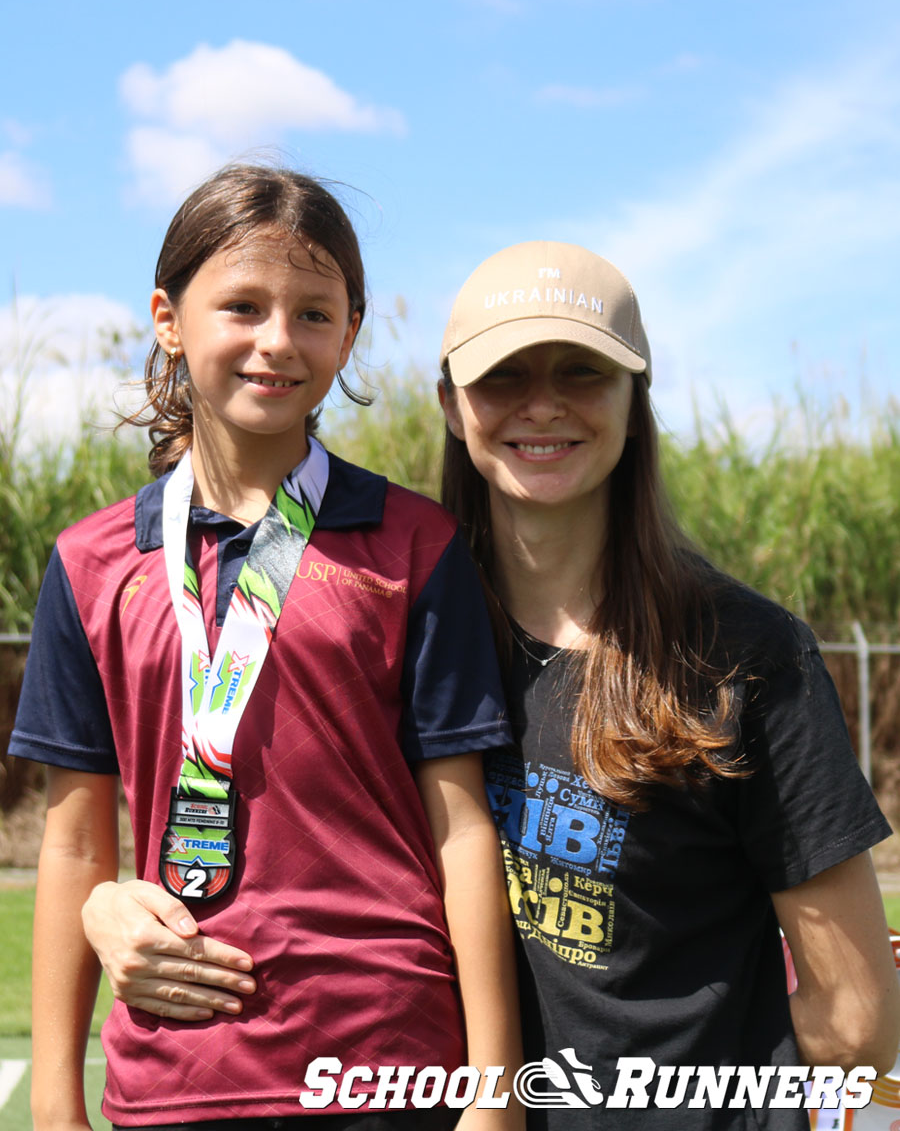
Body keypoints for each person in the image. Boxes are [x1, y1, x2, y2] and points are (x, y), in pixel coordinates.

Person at [79, 241, 900, 1130]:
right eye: (504, 377)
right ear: (451, 405)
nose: (542, 405)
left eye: (582, 373)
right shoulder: (390, 620)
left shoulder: (744, 655)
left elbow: (854, 1023)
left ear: (636, 399)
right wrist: (109, 904)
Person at [9, 166, 524, 1131]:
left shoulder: (417, 547)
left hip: (389, 1066)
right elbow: (76, 842)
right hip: (177, 1072)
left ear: (351, 330)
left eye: (314, 313)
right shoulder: (88, 563)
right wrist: (53, 1103)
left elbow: (461, 828)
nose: (277, 341)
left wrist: (493, 1096)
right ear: (168, 318)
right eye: (242, 306)